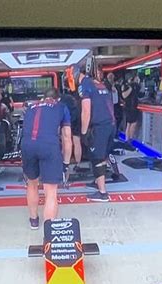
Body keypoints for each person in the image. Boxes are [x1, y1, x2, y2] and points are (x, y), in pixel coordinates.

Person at [21, 87, 72, 229]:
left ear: (43, 98)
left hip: (27, 145)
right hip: (49, 146)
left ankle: (33, 221)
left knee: (31, 184)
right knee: (50, 191)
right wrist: (66, 164)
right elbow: (67, 138)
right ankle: (49, 231)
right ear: (57, 99)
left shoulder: (31, 107)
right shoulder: (61, 107)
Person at [68, 63, 115, 202]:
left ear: (75, 75)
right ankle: (98, 182)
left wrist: (83, 132)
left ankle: (102, 193)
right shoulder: (97, 83)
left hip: (100, 126)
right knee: (103, 156)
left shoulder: (84, 85)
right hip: (111, 124)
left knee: (96, 158)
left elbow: (86, 110)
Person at [60, 87, 82, 174]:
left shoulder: (60, 101)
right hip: (77, 117)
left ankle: (65, 162)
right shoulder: (72, 98)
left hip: (67, 119)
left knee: (66, 141)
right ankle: (78, 164)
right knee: (77, 141)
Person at [122, 75, 140, 140]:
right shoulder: (128, 86)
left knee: (130, 124)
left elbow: (140, 94)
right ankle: (129, 139)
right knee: (131, 124)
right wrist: (131, 88)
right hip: (129, 107)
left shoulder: (136, 86)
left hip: (133, 107)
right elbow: (124, 95)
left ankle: (128, 140)